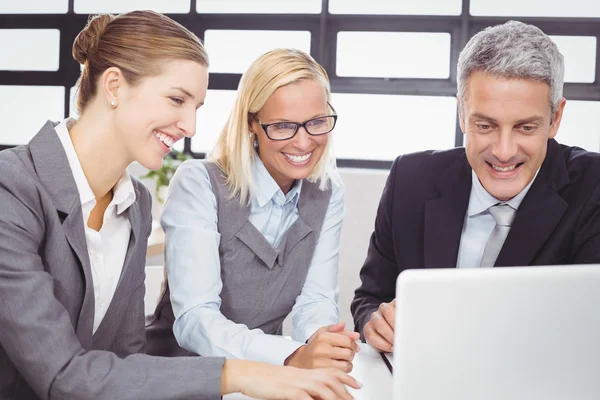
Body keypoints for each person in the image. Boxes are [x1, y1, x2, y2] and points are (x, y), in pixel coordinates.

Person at [0, 11, 360, 400]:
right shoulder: (11, 187)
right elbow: (61, 374)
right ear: (115, 86)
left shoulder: (133, 202)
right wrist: (241, 375)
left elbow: (126, 360)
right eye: (176, 99)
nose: (190, 127)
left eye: (197, 108)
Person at [351, 20, 600, 353]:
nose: (503, 151)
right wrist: (375, 323)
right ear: (462, 113)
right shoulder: (410, 178)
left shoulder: (592, 186)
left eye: (526, 127)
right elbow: (370, 297)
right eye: (485, 125)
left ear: (556, 118)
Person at [148, 48, 361, 372]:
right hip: (176, 375)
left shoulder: (327, 192)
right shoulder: (199, 183)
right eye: (283, 126)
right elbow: (195, 319)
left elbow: (315, 300)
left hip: (261, 379)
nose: (303, 143)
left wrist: (320, 345)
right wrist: (289, 356)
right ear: (252, 124)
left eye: (317, 122)